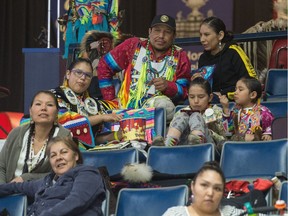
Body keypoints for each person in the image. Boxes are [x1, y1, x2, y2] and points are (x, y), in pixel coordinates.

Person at [97, 14, 191, 121]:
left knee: (165, 106)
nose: (161, 35)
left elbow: (184, 92)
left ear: (174, 36)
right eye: (157, 30)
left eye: (167, 32)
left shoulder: (180, 56)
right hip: (123, 107)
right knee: (92, 108)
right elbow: (104, 65)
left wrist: (168, 86)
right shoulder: (133, 45)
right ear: (149, 31)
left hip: (155, 113)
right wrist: (110, 98)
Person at [0, 136, 106, 216]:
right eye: (53, 155)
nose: (58, 158)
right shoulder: (46, 181)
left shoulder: (87, 173)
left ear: (76, 156)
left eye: (64, 152)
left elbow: (76, 201)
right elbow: (15, 187)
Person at [0, 90, 71, 184]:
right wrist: (4, 190)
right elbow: (1, 167)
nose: (43, 108)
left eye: (49, 105)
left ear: (57, 112)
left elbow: (62, 172)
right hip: (9, 193)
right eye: (38, 104)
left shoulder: (63, 136)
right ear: (30, 111)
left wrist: (26, 178)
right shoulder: (16, 133)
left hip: (44, 194)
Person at [50, 58, 123, 148]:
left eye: (88, 75)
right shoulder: (54, 97)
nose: (83, 78)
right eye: (78, 72)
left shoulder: (94, 104)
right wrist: (101, 117)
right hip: (60, 150)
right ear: (68, 74)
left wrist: (117, 135)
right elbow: (65, 124)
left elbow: (93, 139)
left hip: (86, 155)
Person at [162, 161, 259, 216]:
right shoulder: (174, 214)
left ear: (222, 194)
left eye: (217, 188)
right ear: (192, 186)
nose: (210, 193)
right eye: (204, 185)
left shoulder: (231, 213)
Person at [153, 77, 226, 147]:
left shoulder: (216, 111)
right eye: (192, 97)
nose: (196, 101)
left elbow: (225, 137)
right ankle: (167, 146)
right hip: (184, 144)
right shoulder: (181, 113)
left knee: (195, 115)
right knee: (183, 115)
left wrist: (226, 111)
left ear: (210, 97)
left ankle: (197, 141)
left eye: (201, 97)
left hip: (208, 146)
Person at [197, 16, 257, 102]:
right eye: (201, 35)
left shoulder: (233, 51)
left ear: (220, 35)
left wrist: (224, 94)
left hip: (234, 101)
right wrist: (197, 82)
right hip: (210, 102)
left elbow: (252, 82)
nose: (202, 39)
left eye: (206, 35)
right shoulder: (203, 58)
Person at [219, 77, 274, 141]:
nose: (235, 92)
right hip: (236, 146)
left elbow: (272, 127)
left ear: (253, 95)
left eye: (240, 90)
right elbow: (228, 133)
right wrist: (225, 108)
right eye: (235, 89)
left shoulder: (263, 112)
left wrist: (268, 134)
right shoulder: (235, 111)